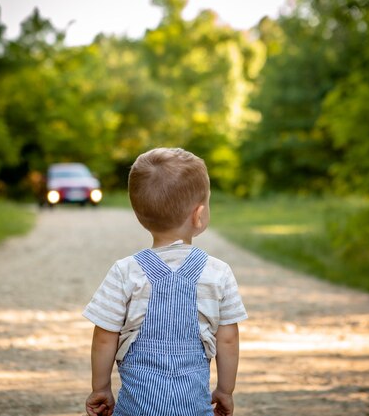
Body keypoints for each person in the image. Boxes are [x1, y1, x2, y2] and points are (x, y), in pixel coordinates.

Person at [83, 148, 247, 416]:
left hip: (136, 407)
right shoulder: (218, 273)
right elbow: (227, 339)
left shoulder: (125, 272)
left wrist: (100, 388)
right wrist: (225, 390)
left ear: (138, 215)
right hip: (193, 406)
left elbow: (104, 336)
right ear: (199, 215)